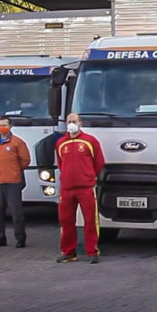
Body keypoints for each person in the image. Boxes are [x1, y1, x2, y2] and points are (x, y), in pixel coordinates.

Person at [55, 113, 105, 264]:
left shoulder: (90, 141)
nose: (71, 124)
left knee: (90, 220)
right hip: (67, 189)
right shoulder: (60, 143)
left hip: (86, 188)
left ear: (80, 123)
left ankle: (92, 251)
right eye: (69, 121)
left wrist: (88, 177)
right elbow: (60, 164)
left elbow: (99, 162)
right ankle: (68, 252)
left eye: (74, 121)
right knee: (66, 221)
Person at [0, 116, 31, 248]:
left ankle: (20, 238)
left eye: (5, 124)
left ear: (11, 126)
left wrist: (13, 170)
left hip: (13, 182)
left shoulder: (17, 142)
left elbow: (25, 160)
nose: (2, 127)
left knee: (16, 212)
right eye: (0, 125)